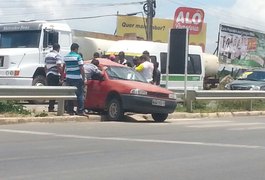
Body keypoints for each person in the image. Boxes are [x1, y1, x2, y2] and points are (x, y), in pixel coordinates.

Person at [63, 43, 87, 116]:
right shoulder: (78, 56)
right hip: (77, 78)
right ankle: (80, 111)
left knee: (70, 94)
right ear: (76, 49)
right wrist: (84, 78)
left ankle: (70, 110)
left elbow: (64, 67)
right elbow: (81, 68)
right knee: (80, 95)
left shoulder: (66, 56)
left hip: (68, 78)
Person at [44, 43, 63, 112]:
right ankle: (51, 107)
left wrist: (46, 74)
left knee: (51, 91)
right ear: (58, 48)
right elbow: (58, 66)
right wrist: (62, 75)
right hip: (55, 74)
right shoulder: (57, 55)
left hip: (49, 74)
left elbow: (45, 67)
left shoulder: (47, 55)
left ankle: (51, 106)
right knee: (55, 91)